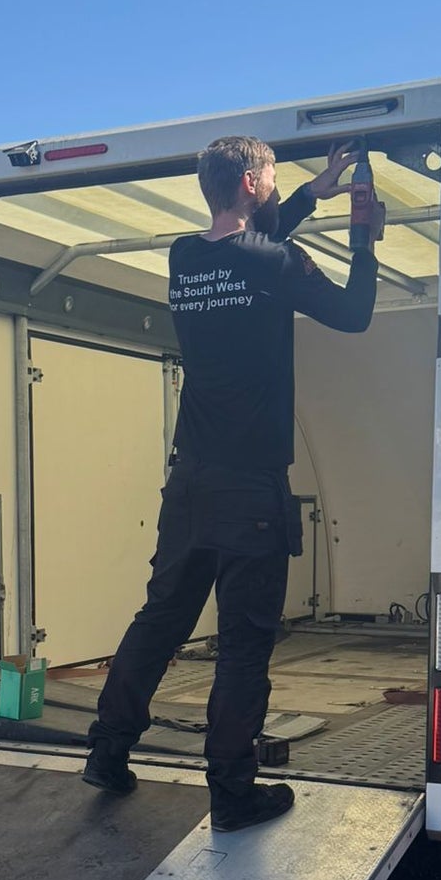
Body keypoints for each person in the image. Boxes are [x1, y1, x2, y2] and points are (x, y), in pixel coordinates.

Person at [82, 135, 383, 830]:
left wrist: (310, 192)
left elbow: (253, 248)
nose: (276, 184)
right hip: (251, 492)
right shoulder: (277, 262)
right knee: (244, 644)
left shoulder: (184, 258)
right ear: (250, 183)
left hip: (189, 482)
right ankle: (231, 791)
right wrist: (364, 241)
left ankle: (108, 750)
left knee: (160, 619)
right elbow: (354, 314)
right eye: (272, 176)